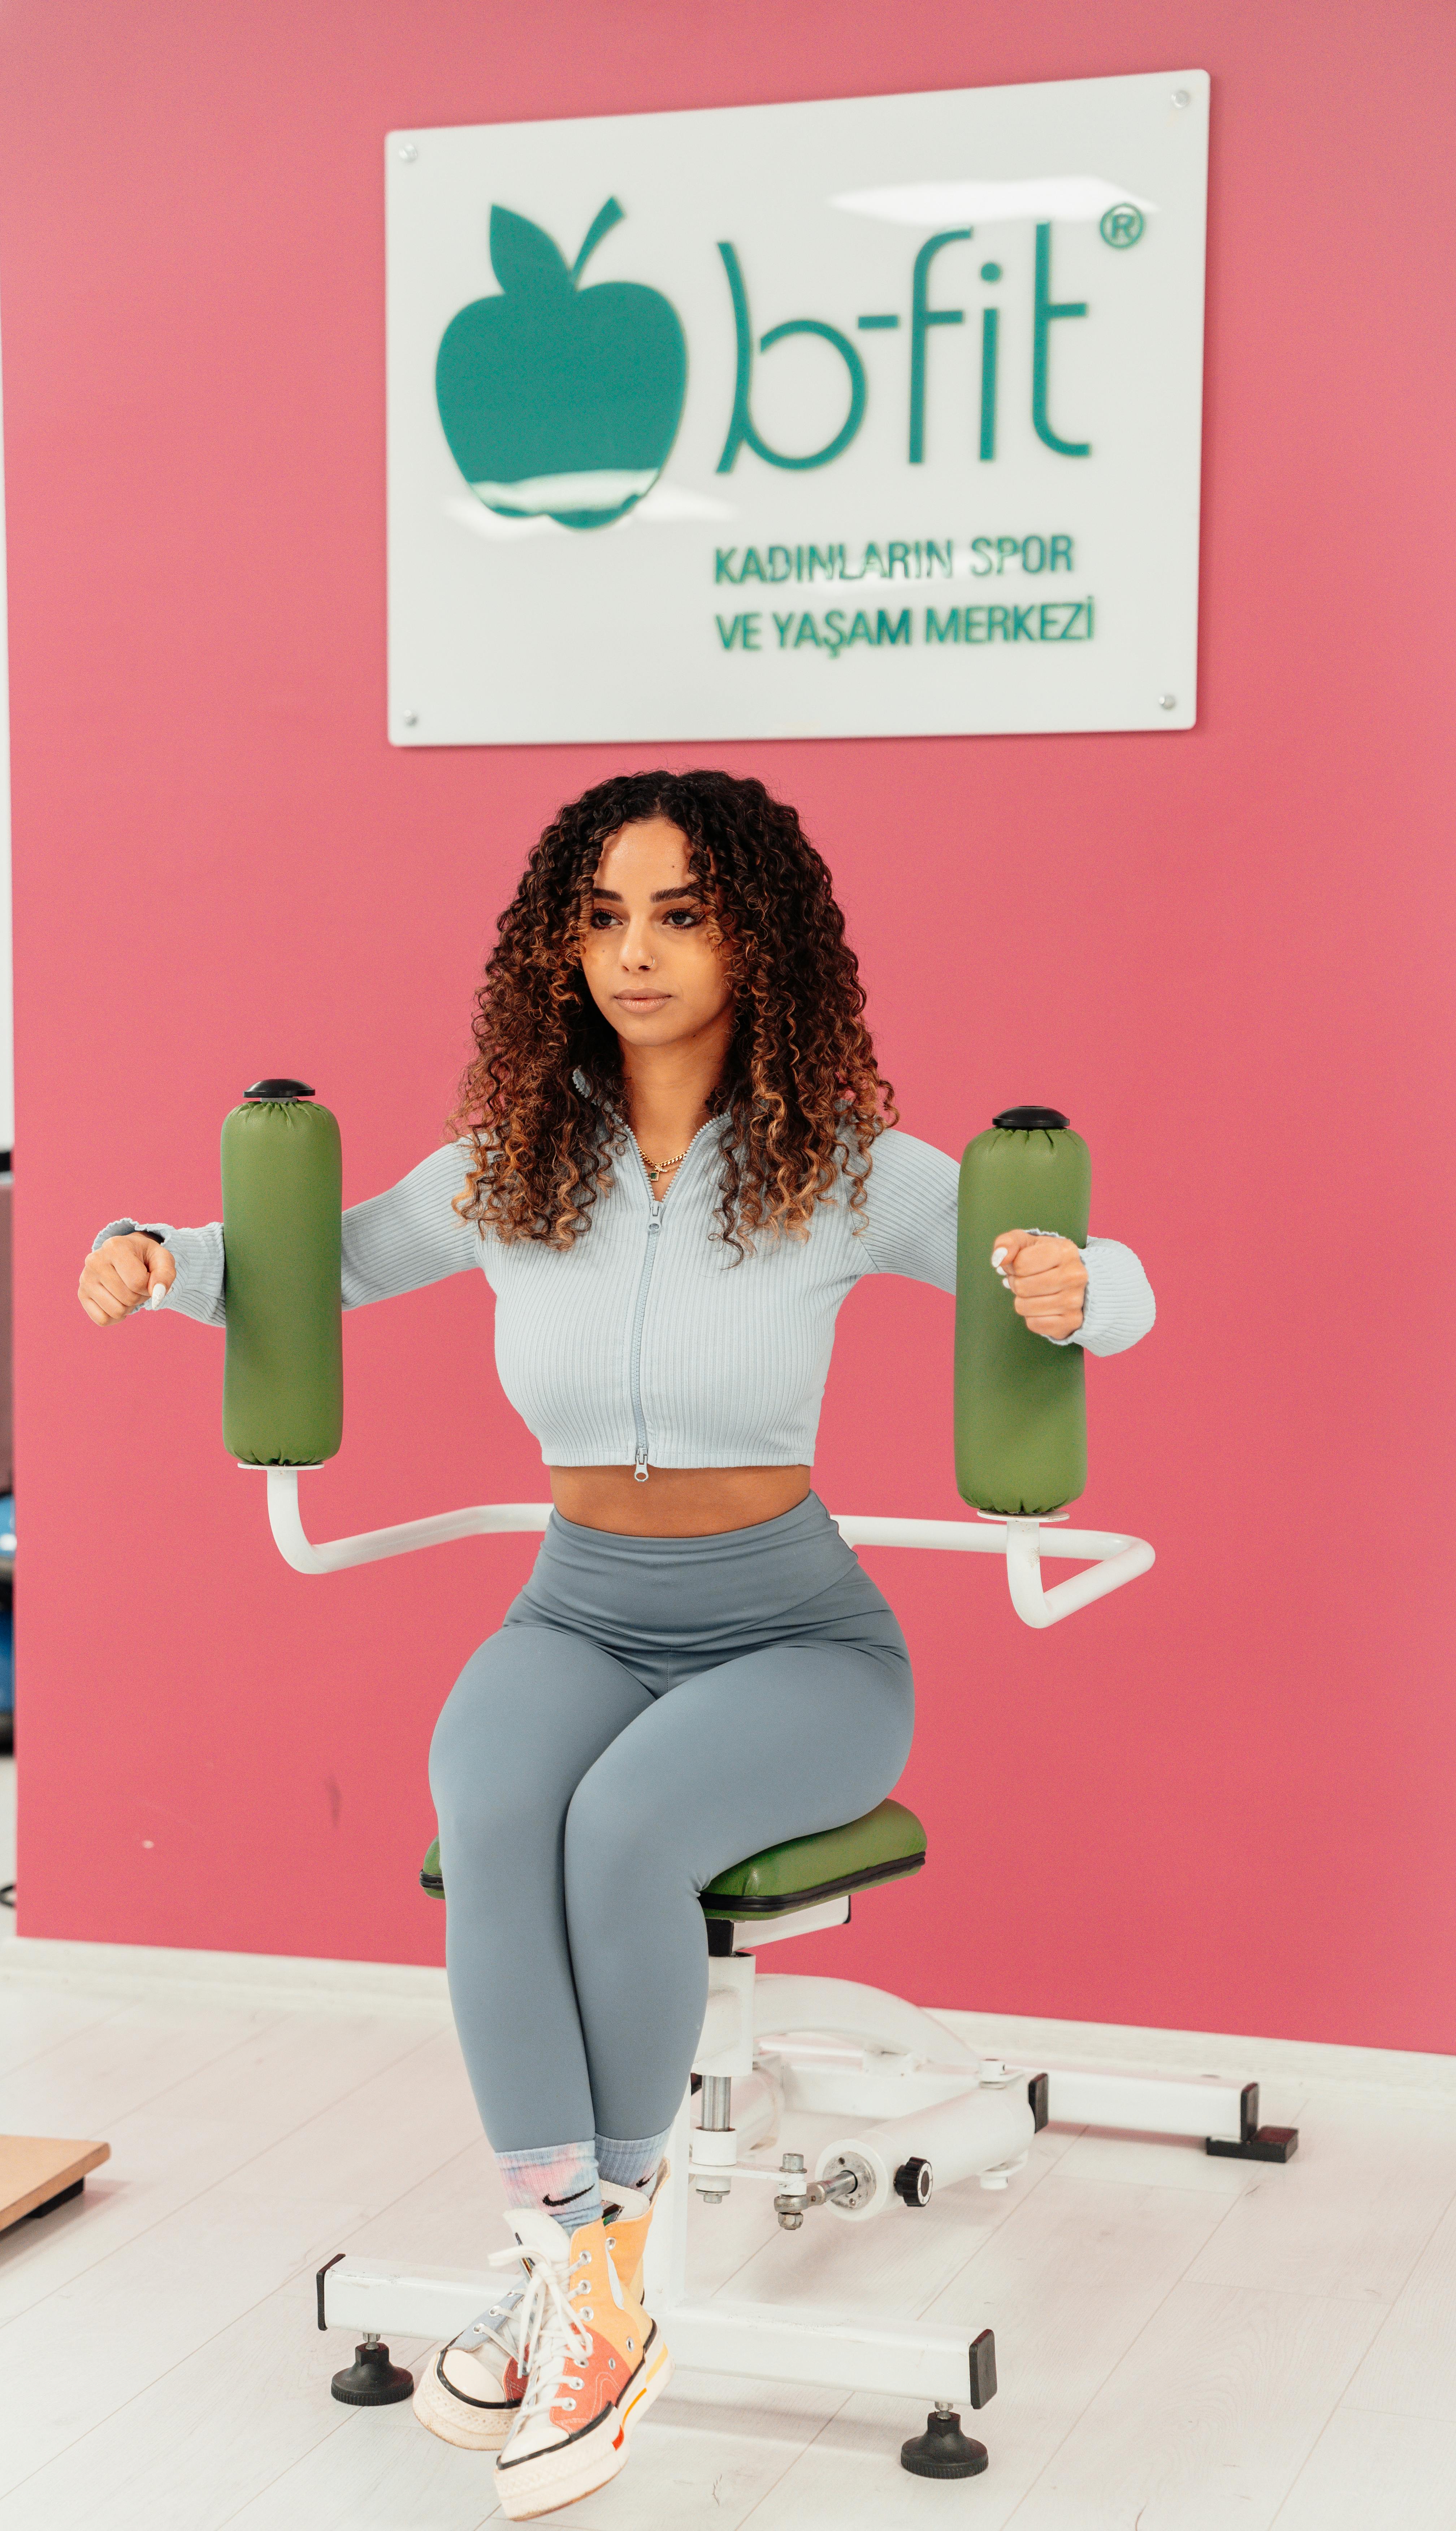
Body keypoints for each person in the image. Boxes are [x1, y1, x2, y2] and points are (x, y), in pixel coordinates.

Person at [77, 767, 1154, 2521]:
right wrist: (158, 1255)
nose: (632, 954)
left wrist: (1076, 1290)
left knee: (625, 1829)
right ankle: (576, 2272)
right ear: (552, 947)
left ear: (756, 935)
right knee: (493, 1813)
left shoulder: (843, 1165)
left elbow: (1103, 1279)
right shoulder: (522, 1158)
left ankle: (597, 2282)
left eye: (675, 912)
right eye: (597, 918)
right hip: (579, 1604)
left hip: (796, 1639)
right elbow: (327, 1265)